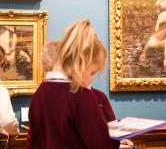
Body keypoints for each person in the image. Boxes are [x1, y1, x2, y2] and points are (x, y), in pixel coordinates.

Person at [26, 20, 120, 149]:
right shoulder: (81, 95)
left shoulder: (41, 92)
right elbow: (101, 145)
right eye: (92, 72)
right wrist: (116, 142)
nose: (90, 79)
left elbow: (33, 142)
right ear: (83, 62)